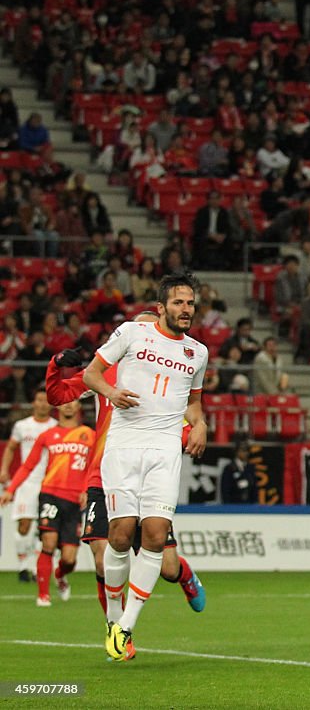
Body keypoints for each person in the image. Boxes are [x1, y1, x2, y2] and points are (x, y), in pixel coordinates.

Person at [82, 272, 209, 661]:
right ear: (161, 307)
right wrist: (111, 391)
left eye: (190, 303)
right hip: (123, 446)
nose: (185, 309)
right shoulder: (131, 334)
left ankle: (125, 627)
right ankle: (113, 618)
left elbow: (194, 404)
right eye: (178, 303)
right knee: (119, 537)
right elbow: (91, 374)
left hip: (165, 449)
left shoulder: (198, 353)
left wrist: (200, 424)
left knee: (154, 535)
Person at [44, 318, 205, 621]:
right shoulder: (105, 373)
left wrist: (193, 432)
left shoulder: (170, 378)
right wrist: (56, 365)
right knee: (104, 561)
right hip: (105, 475)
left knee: (167, 568)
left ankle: (184, 575)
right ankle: (116, 631)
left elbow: (183, 425)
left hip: (147, 476)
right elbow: (58, 397)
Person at [1, 399, 94, 606]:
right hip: (50, 494)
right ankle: (43, 594)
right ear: (58, 406)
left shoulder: (89, 435)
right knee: (48, 543)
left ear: (79, 407)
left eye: (74, 402)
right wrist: (10, 489)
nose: (69, 406)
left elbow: (95, 466)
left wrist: (87, 489)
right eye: (65, 403)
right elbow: (28, 466)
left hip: (74, 500)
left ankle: (60, 575)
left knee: (69, 559)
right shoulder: (47, 436)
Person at [0, 389, 57, 582]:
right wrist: (4, 469)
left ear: (50, 404)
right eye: (39, 400)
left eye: (45, 401)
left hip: (49, 482)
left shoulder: (55, 427)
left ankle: (33, 567)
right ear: (33, 403)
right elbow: (10, 448)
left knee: (44, 528)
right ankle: (23, 565)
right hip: (27, 482)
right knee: (24, 526)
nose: (42, 404)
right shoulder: (22, 426)